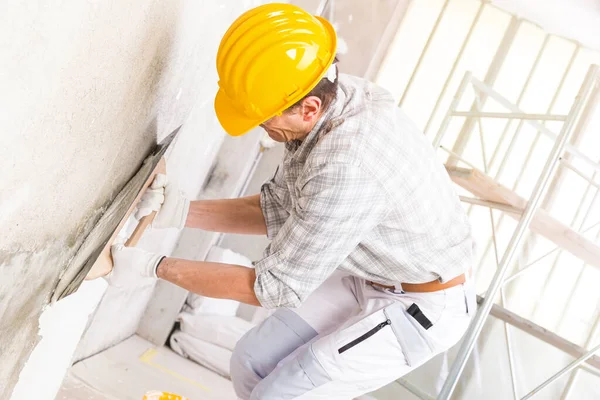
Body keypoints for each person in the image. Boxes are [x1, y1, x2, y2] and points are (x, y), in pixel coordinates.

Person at [110, 4, 476, 399]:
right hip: (368, 274)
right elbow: (278, 208)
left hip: (419, 309)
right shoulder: (335, 100)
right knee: (249, 362)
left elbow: (273, 288)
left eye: (265, 118)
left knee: (282, 393)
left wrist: (153, 267)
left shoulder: (346, 165)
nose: (262, 128)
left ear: (309, 108)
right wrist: (179, 211)